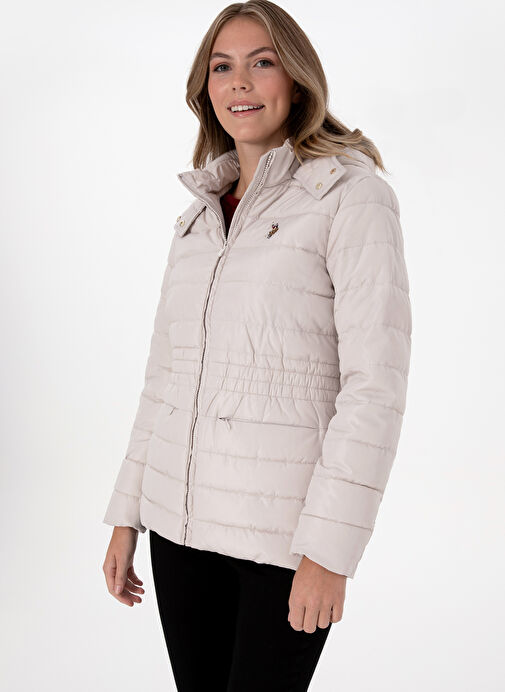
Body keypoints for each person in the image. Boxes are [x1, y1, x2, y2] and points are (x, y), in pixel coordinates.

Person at [102, 1, 412, 690]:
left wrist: (329, 551)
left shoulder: (350, 196)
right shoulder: (196, 218)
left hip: (282, 542)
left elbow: (375, 387)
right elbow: (163, 380)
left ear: (297, 81)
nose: (239, 82)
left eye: (261, 62)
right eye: (222, 67)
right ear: (205, 89)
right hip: (178, 530)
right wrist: (127, 516)